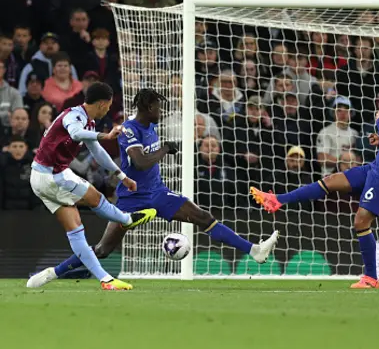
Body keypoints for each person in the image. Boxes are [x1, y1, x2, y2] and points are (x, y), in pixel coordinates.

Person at [31, 89, 278, 288]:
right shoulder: (128, 129)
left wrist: (163, 149)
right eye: (159, 107)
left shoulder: (152, 128)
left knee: (203, 217)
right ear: (148, 108)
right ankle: (56, 273)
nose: (162, 111)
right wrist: (164, 150)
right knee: (104, 249)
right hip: (132, 199)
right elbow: (139, 161)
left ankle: (254, 250)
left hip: (158, 193)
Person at [251, 75, 379, 289]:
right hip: (377, 168)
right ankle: (277, 199)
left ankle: (371, 277)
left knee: (361, 222)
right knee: (331, 180)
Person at [26, 82, 156, 291]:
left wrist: (122, 176)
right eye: (109, 105)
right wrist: (106, 135)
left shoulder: (89, 122)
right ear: (103, 103)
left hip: (42, 176)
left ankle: (105, 280)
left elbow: (98, 152)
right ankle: (127, 219)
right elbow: (76, 133)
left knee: (76, 231)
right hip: (52, 175)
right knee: (95, 197)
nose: (108, 109)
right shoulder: (74, 116)